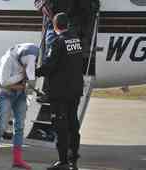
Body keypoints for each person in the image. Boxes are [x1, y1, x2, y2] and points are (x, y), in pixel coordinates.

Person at [35, 13, 83, 170]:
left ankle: (63, 161)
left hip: (61, 93)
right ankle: (73, 159)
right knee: (73, 125)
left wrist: (34, 72)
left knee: (61, 127)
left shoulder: (58, 42)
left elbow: (49, 67)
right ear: (67, 25)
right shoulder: (75, 40)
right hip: (75, 90)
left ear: (55, 26)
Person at [0, 43, 39, 170]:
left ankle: (17, 160)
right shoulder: (8, 60)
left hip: (20, 95)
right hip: (5, 95)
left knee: (19, 127)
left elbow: (28, 80)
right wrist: (22, 76)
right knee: (1, 126)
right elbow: (3, 83)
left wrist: (24, 84)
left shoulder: (33, 54)